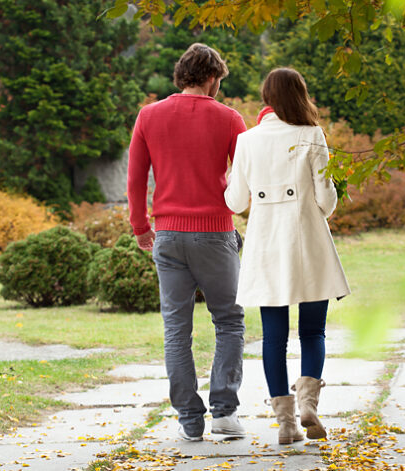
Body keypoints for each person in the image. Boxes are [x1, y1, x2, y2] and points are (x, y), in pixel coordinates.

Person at [127, 43, 248, 442]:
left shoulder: (149, 116)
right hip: (215, 232)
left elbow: (136, 177)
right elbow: (244, 178)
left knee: (176, 329)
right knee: (228, 320)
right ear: (212, 78)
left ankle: (189, 421)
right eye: (219, 81)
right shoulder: (229, 118)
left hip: (167, 234)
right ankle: (225, 413)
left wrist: (140, 226)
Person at [224, 68, 351, 444]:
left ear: (267, 97)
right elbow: (326, 201)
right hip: (307, 241)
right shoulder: (312, 135)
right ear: (301, 95)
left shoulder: (247, 140)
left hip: (267, 246)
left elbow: (235, 202)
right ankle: (308, 404)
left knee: (273, 338)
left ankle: (286, 424)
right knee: (313, 331)